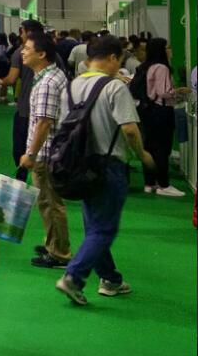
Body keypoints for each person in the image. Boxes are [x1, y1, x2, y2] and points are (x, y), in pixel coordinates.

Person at [54, 36, 155, 306]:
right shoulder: (114, 87)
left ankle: (110, 279)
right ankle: (73, 277)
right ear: (112, 57)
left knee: (95, 227)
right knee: (104, 230)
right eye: (119, 60)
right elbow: (129, 129)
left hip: (79, 165)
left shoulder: (71, 87)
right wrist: (142, 155)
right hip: (109, 165)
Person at [18, 31, 72, 268]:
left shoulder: (47, 83)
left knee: (50, 203)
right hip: (52, 151)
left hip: (46, 154)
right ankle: (54, 243)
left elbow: (43, 122)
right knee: (49, 203)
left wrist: (31, 154)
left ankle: (59, 253)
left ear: (41, 54)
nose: (22, 52)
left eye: (27, 49)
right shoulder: (51, 76)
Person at [0, 19, 48, 182]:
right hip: (40, 110)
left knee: (21, 148)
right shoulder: (52, 54)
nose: (21, 36)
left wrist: (2, 82)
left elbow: (11, 78)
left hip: (26, 110)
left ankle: (22, 178)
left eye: (22, 31)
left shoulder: (19, 52)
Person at [139, 38, 191, 196]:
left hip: (150, 111)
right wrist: (177, 92)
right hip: (161, 111)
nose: (170, 49)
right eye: (167, 47)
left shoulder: (148, 66)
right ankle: (163, 184)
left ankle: (150, 183)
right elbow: (163, 92)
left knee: (150, 147)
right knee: (162, 149)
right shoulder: (161, 67)